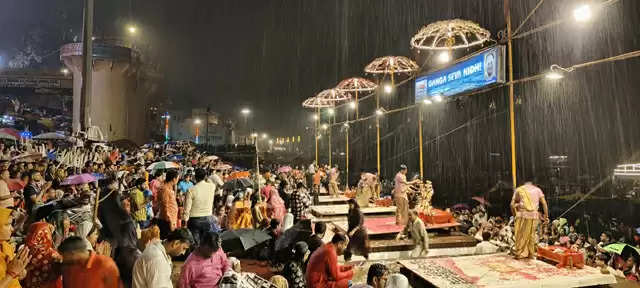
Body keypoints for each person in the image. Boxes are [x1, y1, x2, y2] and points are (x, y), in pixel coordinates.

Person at [510, 181, 548, 260]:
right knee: (531, 235)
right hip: (534, 216)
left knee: (520, 235)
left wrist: (514, 215)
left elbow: (511, 205)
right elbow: (544, 204)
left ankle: (519, 253)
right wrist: (546, 216)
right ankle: (531, 253)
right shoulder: (538, 190)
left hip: (521, 215)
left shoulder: (519, 189)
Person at [23, 222, 62, 288]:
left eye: (38, 236)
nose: (32, 239)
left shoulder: (53, 256)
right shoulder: (26, 250)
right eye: (30, 233)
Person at [183, 168, 216, 246]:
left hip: (194, 219)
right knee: (206, 244)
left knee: (195, 245)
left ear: (195, 177)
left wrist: (185, 220)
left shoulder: (191, 190)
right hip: (208, 218)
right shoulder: (212, 187)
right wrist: (206, 177)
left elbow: (187, 208)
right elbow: (210, 181)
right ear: (205, 176)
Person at [0, 207, 31, 288]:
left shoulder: (7, 246)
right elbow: (11, 274)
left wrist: (21, 271)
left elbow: (17, 276)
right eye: (7, 225)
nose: (12, 229)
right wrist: (11, 274)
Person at [157, 170, 179, 238]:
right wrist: (170, 221)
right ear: (174, 179)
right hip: (167, 220)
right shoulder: (165, 189)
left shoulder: (169, 187)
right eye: (177, 178)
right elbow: (164, 206)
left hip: (171, 217)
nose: (178, 180)